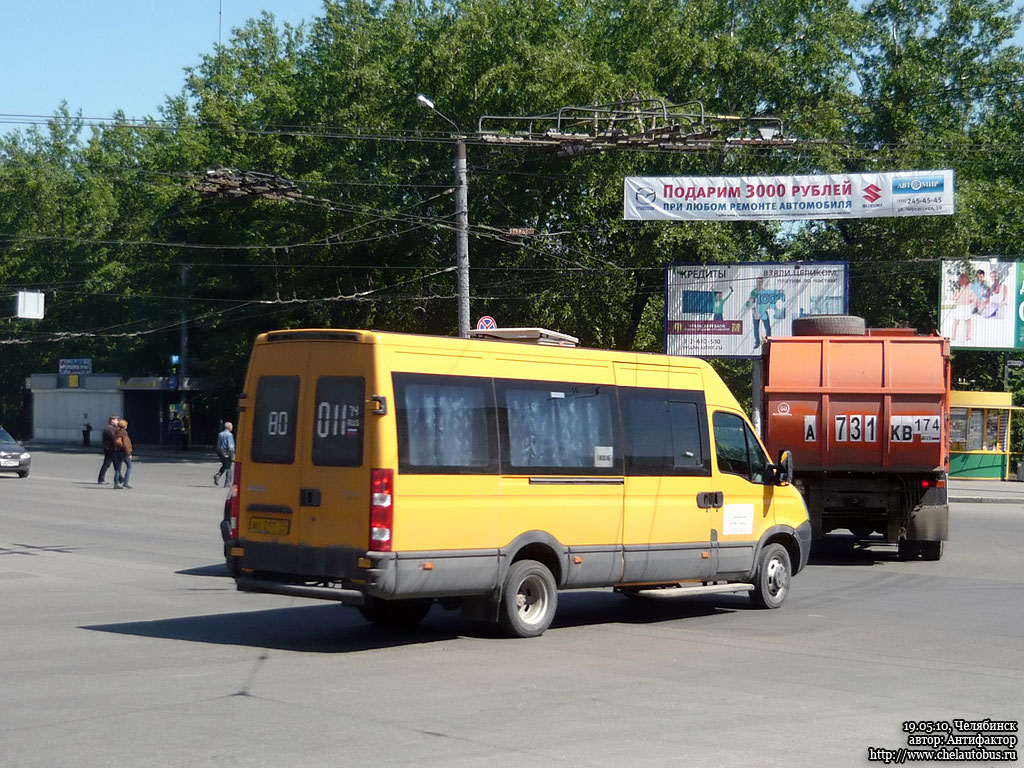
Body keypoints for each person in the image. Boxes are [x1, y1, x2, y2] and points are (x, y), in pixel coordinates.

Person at [97, 414, 119, 484]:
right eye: (116, 420)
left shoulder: (112, 428)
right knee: (107, 464)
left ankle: (120, 478)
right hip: (110, 449)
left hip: (111, 449)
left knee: (116, 464)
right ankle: (101, 479)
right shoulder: (109, 429)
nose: (117, 421)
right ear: (112, 421)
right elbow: (114, 439)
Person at [113, 418, 133, 489]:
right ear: (125, 426)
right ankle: (126, 482)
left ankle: (116, 483)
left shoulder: (117, 432)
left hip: (117, 452)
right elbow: (126, 444)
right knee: (129, 466)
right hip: (123, 452)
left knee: (118, 468)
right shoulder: (124, 433)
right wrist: (129, 453)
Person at [214, 421, 235, 486]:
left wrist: (218, 452)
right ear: (229, 427)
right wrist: (233, 454)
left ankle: (218, 475)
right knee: (228, 467)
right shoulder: (229, 435)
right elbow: (230, 446)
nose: (232, 428)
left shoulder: (220, 434)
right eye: (231, 426)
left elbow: (218, 444)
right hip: (227, 452)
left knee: (225, 465)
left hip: (221, 452)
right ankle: (227, 482)